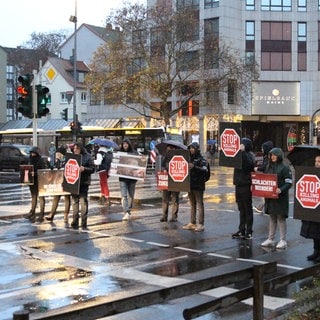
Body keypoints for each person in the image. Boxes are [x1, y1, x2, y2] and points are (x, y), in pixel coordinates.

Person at [261, 147, 293, 249]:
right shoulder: (268, 166)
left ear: (279, 155)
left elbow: (289, 182)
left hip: (280, 198)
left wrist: (281, 189)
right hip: (270, 197)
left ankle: (282, 240)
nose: (273, 157)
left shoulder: (284, 167)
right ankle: (270, 238)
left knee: (281, 218)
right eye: (271, 155)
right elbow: (264, 179)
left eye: (275, 155)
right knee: (272, 216)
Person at [231, 138, 255, 240]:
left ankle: (249, 231)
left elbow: (248, 165)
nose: (240, 146)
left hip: (245, 184)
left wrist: (243, 152)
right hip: (238, 184)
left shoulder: (249, 155)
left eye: (242, 144)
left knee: (247, 209)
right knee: (241, 209)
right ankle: (241, 229)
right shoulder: (240, 155)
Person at [183, 142, 209, 232]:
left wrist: (194, 167)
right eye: (190, 148)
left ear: (197, 149)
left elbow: (205, 171)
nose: (191, 150)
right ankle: (192, 222)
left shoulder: (202, 159)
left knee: (199, 204)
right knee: (192, 204)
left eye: (193, 148)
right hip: (190, 185)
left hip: (198, 185)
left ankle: (201, 223)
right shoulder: (189, 159)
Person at [70, 142, 95, 230]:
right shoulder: (72, 157)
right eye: (74, 149)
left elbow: (93, 168)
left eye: (77, 148)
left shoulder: (87, 156)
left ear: (80, 149)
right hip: (74, 182)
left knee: (83, 201)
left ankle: (84, 221)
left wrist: (84, 169)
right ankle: (75, 220)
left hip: (83, 182)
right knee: (74, 202)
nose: (75, 150)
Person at [300, 155, 320, 260]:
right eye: (316, 161)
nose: (317, 163)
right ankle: (316, 251)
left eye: (319, 161)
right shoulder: (312, 173)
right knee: (315, 231)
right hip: (314, 208)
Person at [44, 146, 71, 227]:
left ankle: (66, 214)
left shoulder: (67, 160)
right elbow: (52, 168)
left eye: (58, 153)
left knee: (67, 197)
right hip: (58, 181)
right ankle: (52, 214)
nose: (57, 155)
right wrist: (50, 163)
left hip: (66, 181)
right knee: (56, 197)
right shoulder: (56, 160)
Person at [119, 138, 139, 221]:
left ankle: (129, 210)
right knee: (124, 196)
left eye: (126, 144)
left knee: (131, 196)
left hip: (132, 178)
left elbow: (139, 164)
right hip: (123, 178)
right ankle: (126, 211)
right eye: (123, 144)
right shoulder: (120, 154)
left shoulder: (135, 153)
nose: (125, 145)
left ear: (129, 144)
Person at [27, 146, 47, 223]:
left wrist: (35, 173)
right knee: (33, 196)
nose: (32, 154)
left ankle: (41, 214)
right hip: (31, 181)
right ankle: (32, 211)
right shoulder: (30, 159)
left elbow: (43, 171)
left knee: (41, 197)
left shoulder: (41, 160)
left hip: (39, 181)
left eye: (34, 153)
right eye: (31, 153)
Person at [160, 145, 180, 222]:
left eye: (170, 149)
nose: (168, 150)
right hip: (166, 180)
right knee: (165, 199)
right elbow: (162, 165)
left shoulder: (178, 157)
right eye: (167, 149)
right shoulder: (166, 157)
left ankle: (174, 216)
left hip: (175, 181)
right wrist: (164, 169)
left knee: (175, 199)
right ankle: (164, 216)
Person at [253, 140, 274, 213]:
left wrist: (257, 168)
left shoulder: (268, 157)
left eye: (262, 148)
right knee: (264, 192)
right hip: (269, 176)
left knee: (264, 192)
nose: (261, 150)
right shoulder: (269, 156)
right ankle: (261, 206)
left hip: (268, 176)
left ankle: (262, 206)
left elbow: (265, 166)